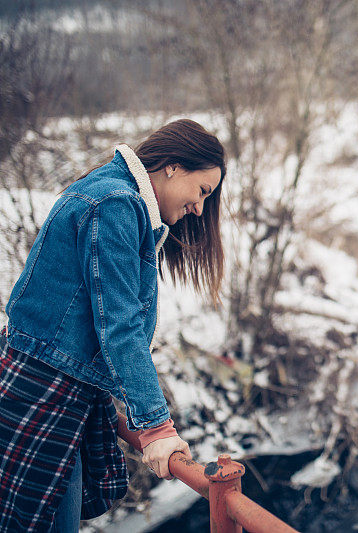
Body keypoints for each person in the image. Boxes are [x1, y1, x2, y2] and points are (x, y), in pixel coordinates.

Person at [0, 118, 226, 532]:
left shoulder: (117, 197)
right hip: (47, 387)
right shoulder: (115, 204)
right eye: (202, 191)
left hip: (51, 381)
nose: (199, 207)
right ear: (173, 166)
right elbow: (118, 326)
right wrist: (156, 426)